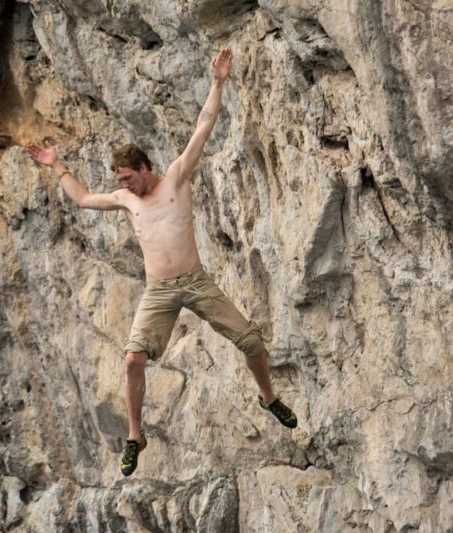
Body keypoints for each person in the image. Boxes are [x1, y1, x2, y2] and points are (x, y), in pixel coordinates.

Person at [27, 48, 297, 477]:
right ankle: (136, 436)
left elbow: (203, 127)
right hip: (159, 290)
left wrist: (218, 81)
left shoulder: (175, 179)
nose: (124, 186)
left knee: (250, 341)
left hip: (195, 281)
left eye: (127, 177)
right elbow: (81, 198)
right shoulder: (123, 199)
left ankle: (268, 397)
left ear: (144, 167)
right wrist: (56, 164)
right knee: (133, 360)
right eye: (119, 181)